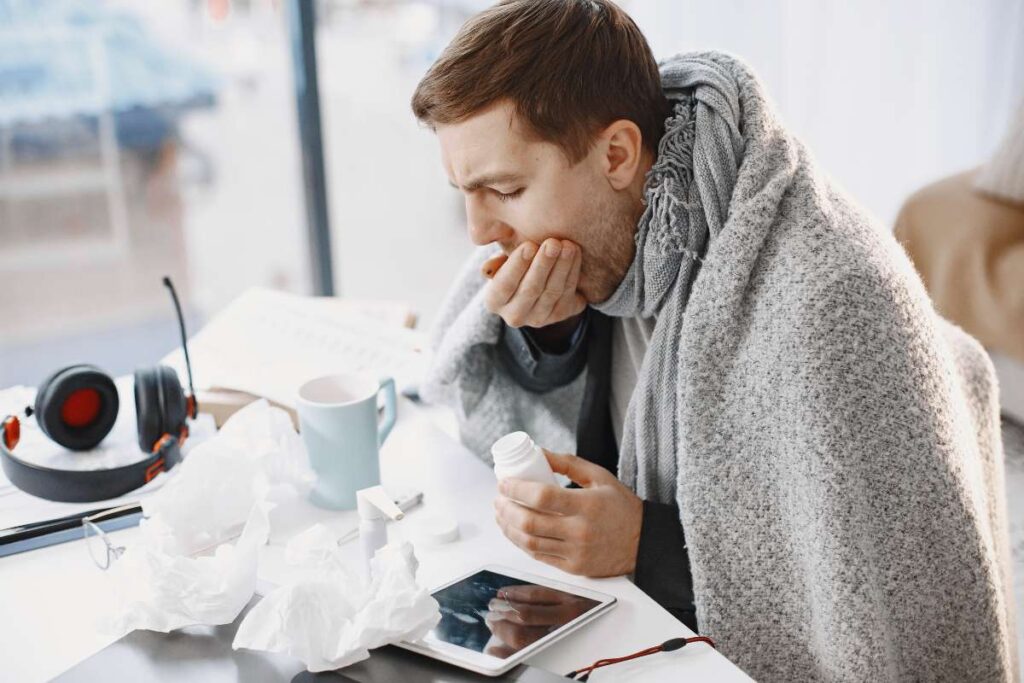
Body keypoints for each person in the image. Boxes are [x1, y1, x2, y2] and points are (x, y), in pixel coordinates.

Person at [411, 1, 1019, 680]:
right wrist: (551, 327)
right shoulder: (609, 232)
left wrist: (647, 543)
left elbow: (864, 605)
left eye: (504, 189)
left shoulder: (826, 303)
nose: (478, 231)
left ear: (616, 153)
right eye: (464, 192)